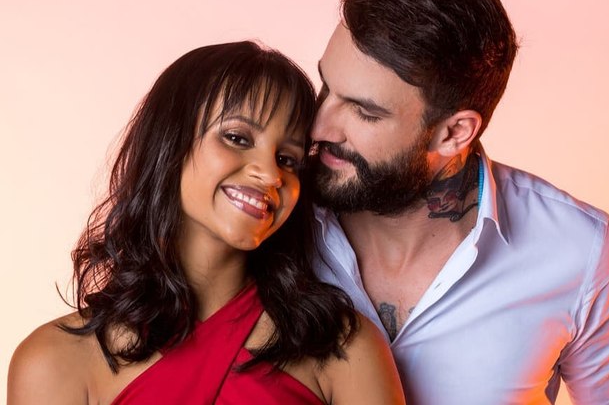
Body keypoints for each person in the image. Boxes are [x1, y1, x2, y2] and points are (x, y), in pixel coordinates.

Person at [7, 41, 405, 405]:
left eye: (287, 159)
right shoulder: (52, 363)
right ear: (170, 143)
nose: (270, 174)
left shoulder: (345, 350)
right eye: (237, 138)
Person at [309, 0, 609, 403]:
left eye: (365, 112)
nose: (319, 127)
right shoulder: (274, 219)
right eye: (326, 87)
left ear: (454, 133)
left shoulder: (582, 255)